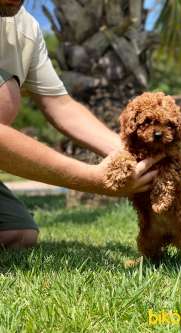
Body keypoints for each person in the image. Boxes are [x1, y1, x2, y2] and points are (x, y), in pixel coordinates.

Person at [0, 0, 164, 249]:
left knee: (18, 233)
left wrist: (134, 153)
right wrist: (92, 178)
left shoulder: (25, 28)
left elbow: (61, 106)